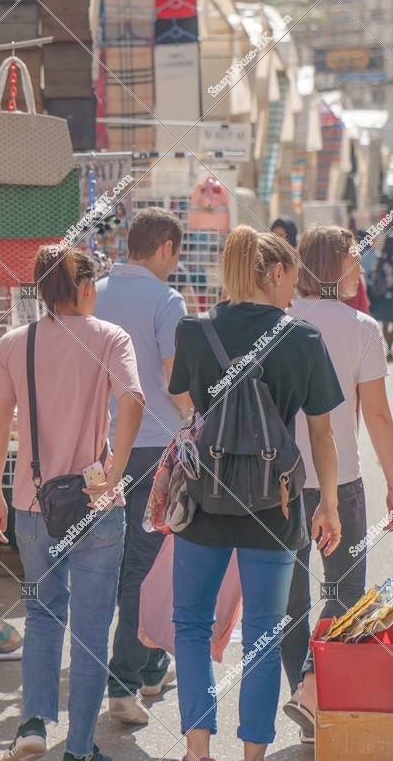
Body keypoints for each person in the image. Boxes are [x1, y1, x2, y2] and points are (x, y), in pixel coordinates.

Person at [168, 226, 343, 761]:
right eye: (291, 277)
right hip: (277, 505)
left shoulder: (194, 331)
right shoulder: (303, 337)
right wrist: (329, 504)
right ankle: (253, 755)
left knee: (192, 625)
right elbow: (321, 433)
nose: (294, 290)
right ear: (273, 273)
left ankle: (198, 749)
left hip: (204, 504)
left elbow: (180, 397)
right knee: (265, 633)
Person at [0, 247, 145, 761]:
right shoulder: (109, 338)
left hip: (33, 504)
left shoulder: (16, 343)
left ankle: (31, 726)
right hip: (96, 504)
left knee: (42, 613)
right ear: (81, 288)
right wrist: (116, 470)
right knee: (93, 627)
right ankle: (78, 749)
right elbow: (134, 400)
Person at [282, 225, 393, 742]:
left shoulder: (278, 322)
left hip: (280, 481)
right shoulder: (363, 327)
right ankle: (312, 687)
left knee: (288, 597)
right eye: (355, 258)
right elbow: (376, 416)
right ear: (333, 265)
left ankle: (307, 706)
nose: (362, 268)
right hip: (341, 481)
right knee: (345, 590)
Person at [93, 207, 193, 724]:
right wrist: (199, 418)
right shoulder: (167, 300)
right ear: (166, 249)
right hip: (155, 446)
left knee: (112, 566)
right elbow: (178, 384)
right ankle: (123, 681)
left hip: (100, 450)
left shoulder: (96, 292)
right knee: (147, 564)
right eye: (175, 254)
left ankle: (150, 664)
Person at [368, 232, 393, 358]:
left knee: (385, 323)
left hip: (383, 297)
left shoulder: (380, 260)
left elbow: (373, 276)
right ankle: (390, 348)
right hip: (390, 296)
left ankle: (389, 349)